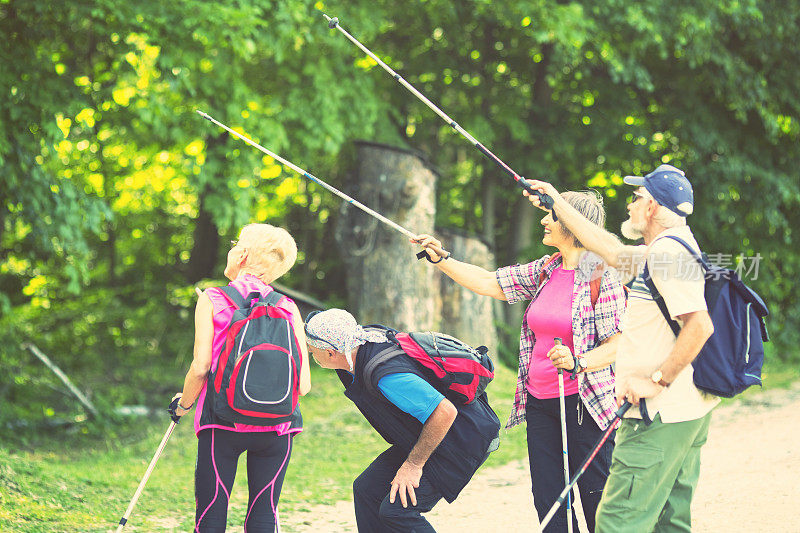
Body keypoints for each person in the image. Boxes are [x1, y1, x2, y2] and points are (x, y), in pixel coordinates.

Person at [414, 190, 627, 533]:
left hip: (584, 406)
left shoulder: (601, 275)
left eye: (552, 216)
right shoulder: (546, 269)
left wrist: (578, 361)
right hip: (540, 403)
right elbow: (490, 282)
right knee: (549, 502)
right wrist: (442, 260)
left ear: (572, 225)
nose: (544, 220)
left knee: (596, 499)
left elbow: (620, 342)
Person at [524, 164, 719, 532]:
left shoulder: (669, 255)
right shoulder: (663, 250)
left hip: (660, 414)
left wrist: (657, 380)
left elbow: (700, 325)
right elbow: (609, 249)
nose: (629, 205)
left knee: (616, 523)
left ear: (653, 208)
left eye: (636, 198)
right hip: (684, 412)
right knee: (669, 521)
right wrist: (557, 202)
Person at [304, 309, 500, 532]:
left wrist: (413, 465)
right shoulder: (355, 350)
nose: (311, 352)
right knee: (367, 490)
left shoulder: (388, 377)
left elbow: (444, 412)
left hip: (460, 440)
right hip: (426, 436)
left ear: (331, 353)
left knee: (397, 512)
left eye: (312, 350)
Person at [170, 223, 312, 533]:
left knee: (211, 513)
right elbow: (304, 384)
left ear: (242, 255)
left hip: (222, 422)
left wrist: (183, 404)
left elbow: (200, 367)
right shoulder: (288, 307)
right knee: (263, 514)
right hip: (279, 427)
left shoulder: (213, 298)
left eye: (235, 244)